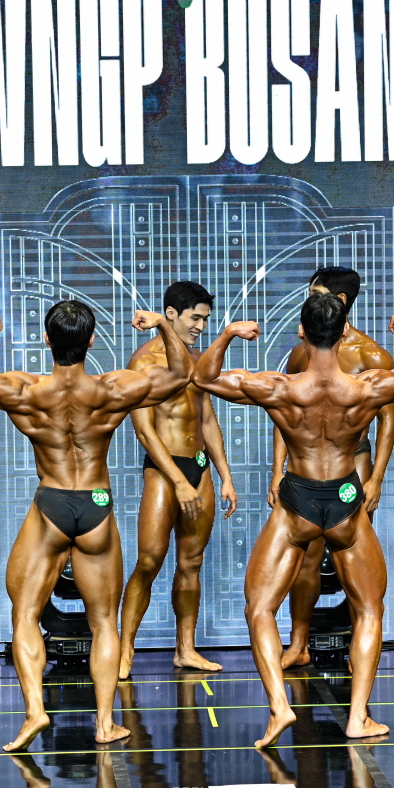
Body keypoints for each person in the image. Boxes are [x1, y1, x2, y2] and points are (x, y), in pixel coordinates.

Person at [192, 293, 394, 747]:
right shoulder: (368, 387)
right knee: (369, 610)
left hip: (299, 500)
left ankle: (279, 707)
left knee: (259, 608)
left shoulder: (281, 388)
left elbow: (203, 377)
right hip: (347, 501)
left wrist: (230, 333)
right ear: (344, 329)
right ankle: (357, 718)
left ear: (302, 332)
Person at [0, 301, 191, 751]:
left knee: (25, 614)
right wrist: (161, 326)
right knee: (104, 622)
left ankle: (35, 711)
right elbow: (179, 374)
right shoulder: (112, 389)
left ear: (47, 340)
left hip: (52, 502)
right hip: (96, 503)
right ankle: (105, 724)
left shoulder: (26, 391)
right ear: (91, 341)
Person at [268, 267, 394, 668]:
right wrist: (277, 470)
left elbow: (388, 422)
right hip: (305, 465)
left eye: (315, 293)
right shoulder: (302, 351)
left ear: (339, 301)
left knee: (355, 561)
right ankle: (298, 643)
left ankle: (362, 644)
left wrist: (376, 479)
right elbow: (283, 413)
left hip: (353, 460)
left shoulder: (373, 356)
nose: (308, 300)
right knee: (305, 557)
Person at [118, 281, 237, 678]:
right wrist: (179, 482)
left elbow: (207, 419)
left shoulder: (198, 360)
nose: (201, 326)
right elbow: (144, 430)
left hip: (199, 469)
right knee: (149, 560)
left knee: (192, 562)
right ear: (170, 314)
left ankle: (185, 649)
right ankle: (124, 650)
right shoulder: (144, 361)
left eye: (205, 319)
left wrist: (225, 475)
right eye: (194, 318)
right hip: (163, 472)